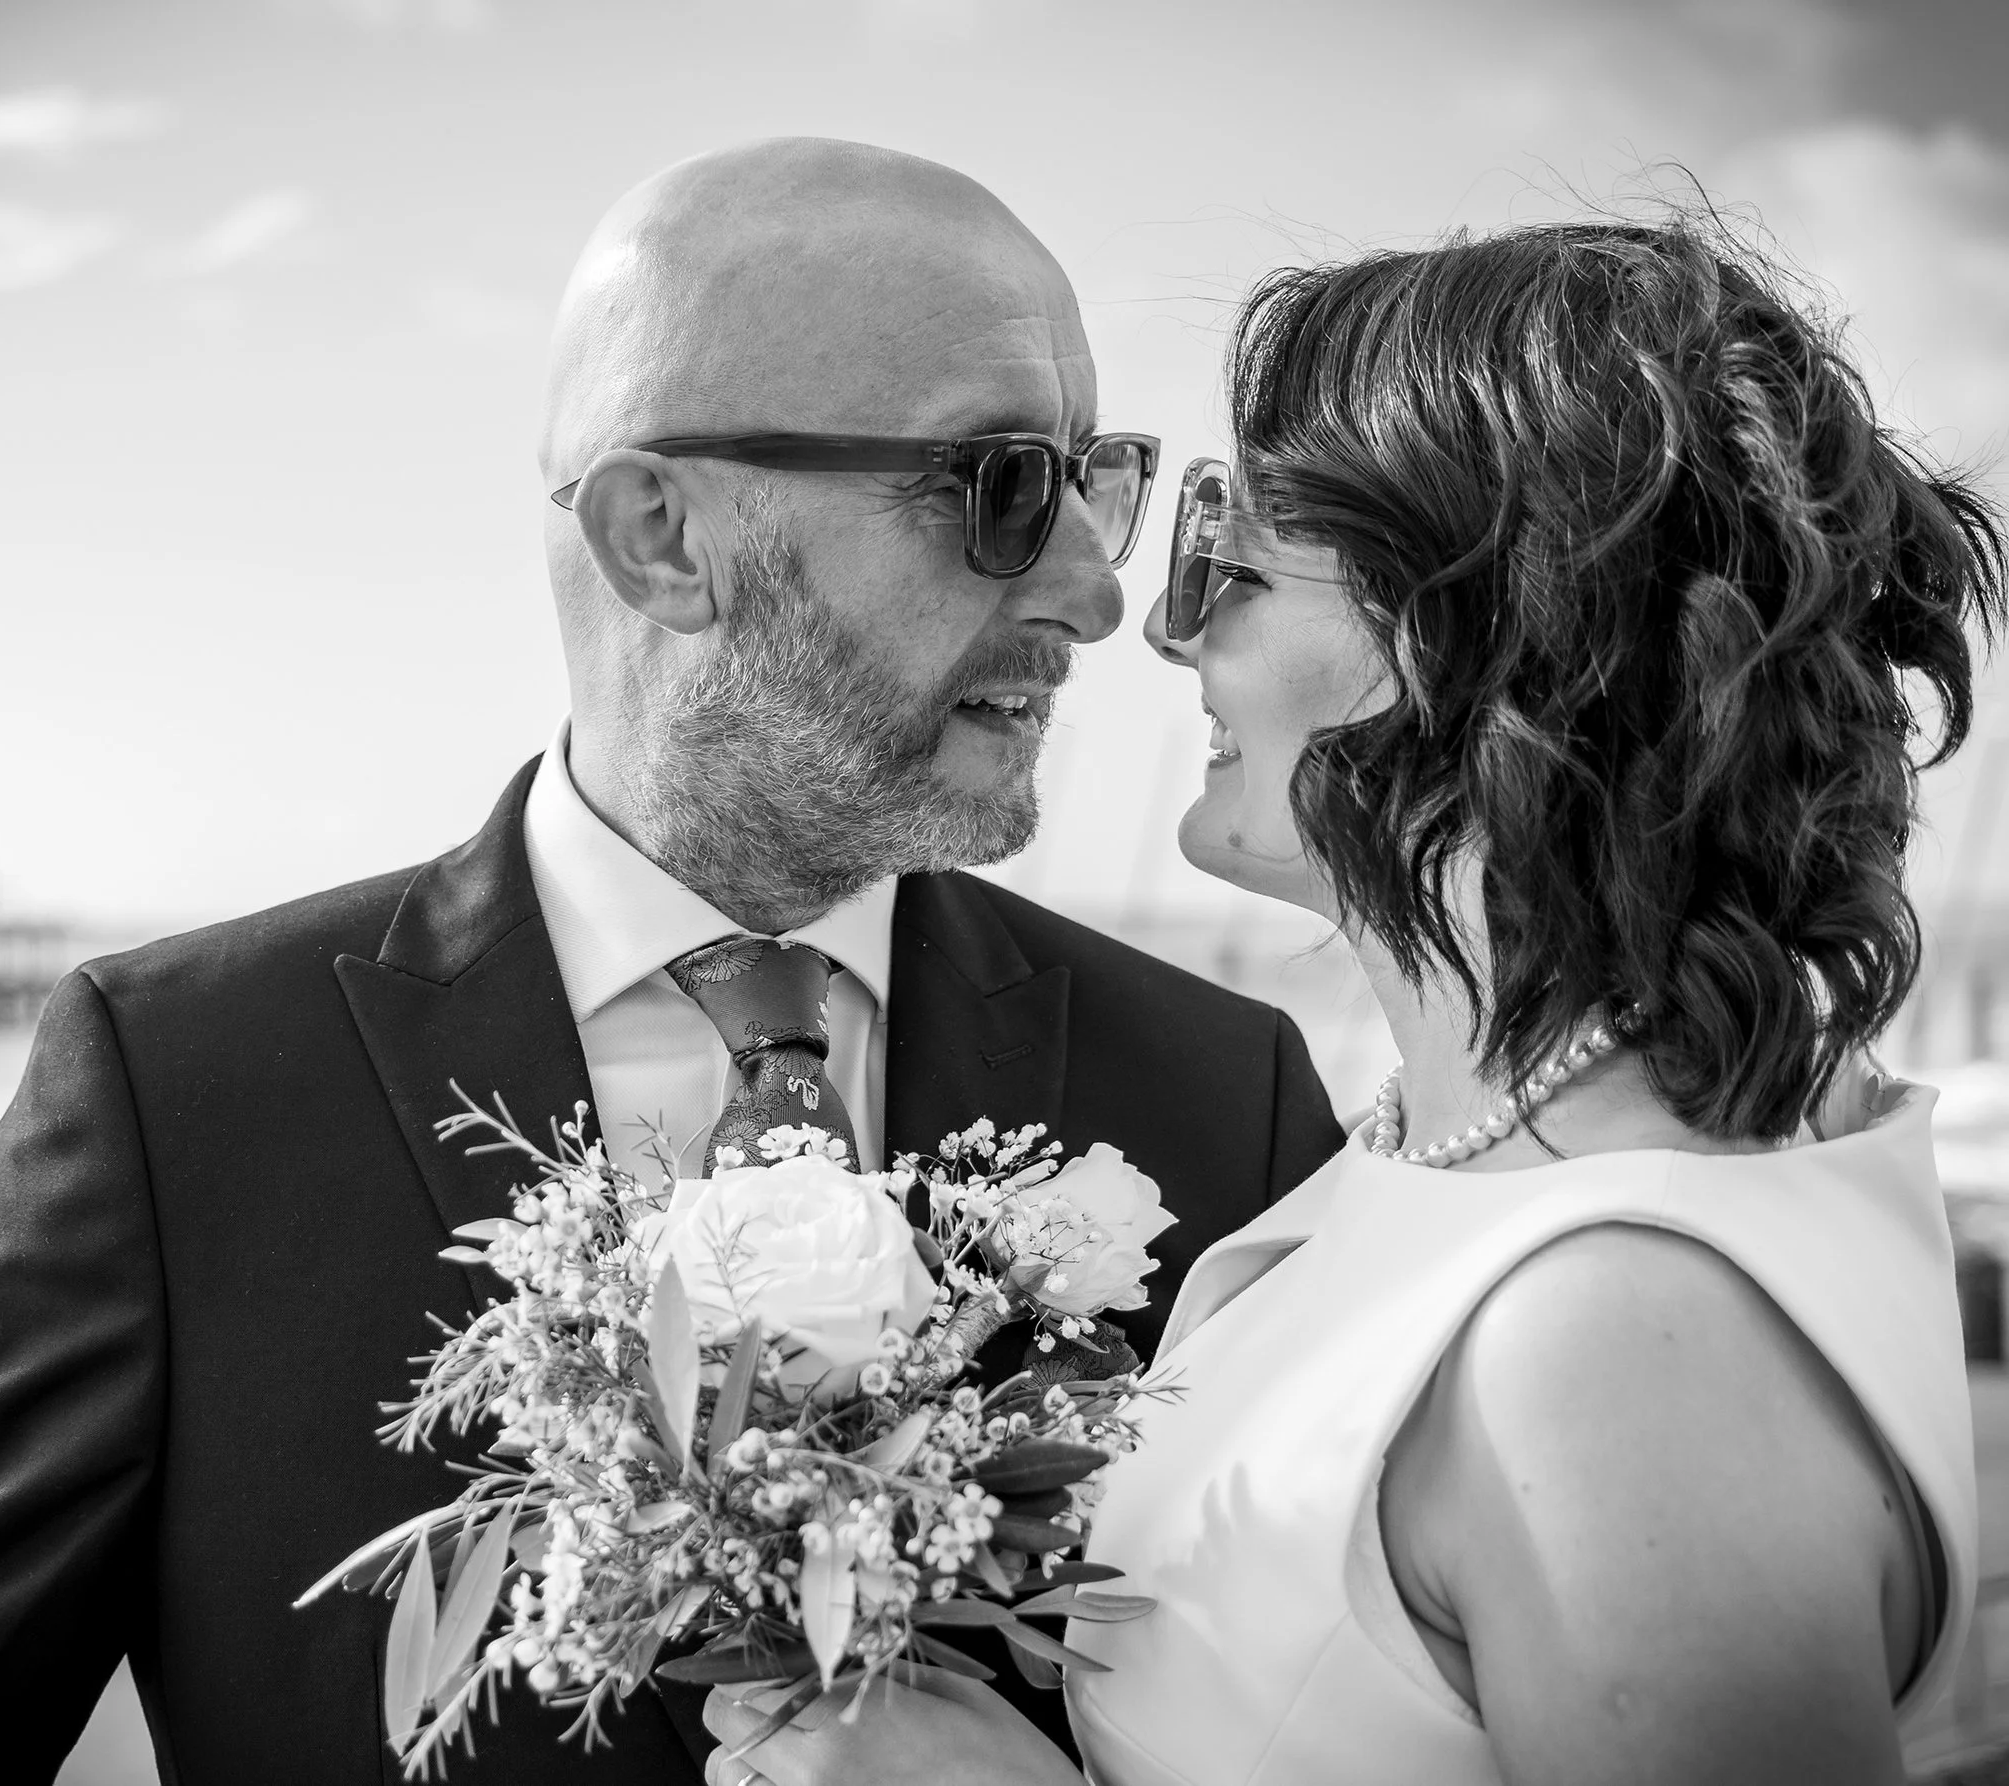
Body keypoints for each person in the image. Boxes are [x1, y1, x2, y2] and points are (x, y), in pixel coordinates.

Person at [0, 139, 1342, 1782]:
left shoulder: (1226, 1097)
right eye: (995, 485)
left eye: (1090, 478)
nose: (1089, 590)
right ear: (661, 535)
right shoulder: (177, 1100)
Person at [706, 217, 2004, 1784]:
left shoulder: (1612, 1344)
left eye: (1231, 568)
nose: (1165, 636)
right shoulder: (1432, 1164)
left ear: (1472, 647)